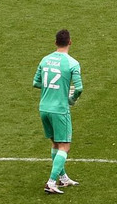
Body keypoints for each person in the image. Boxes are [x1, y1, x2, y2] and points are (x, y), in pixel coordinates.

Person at [34, 29, 83, 195]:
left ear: (55, 43)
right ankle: (51, 182)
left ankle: (62, 178)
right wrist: (71, 99)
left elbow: (36, 82)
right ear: (70, 42)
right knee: (65, 146)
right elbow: (79, 88)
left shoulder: (45, 60)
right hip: (60, 110)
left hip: (44, 108)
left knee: (55, 143)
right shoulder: (72, 63)